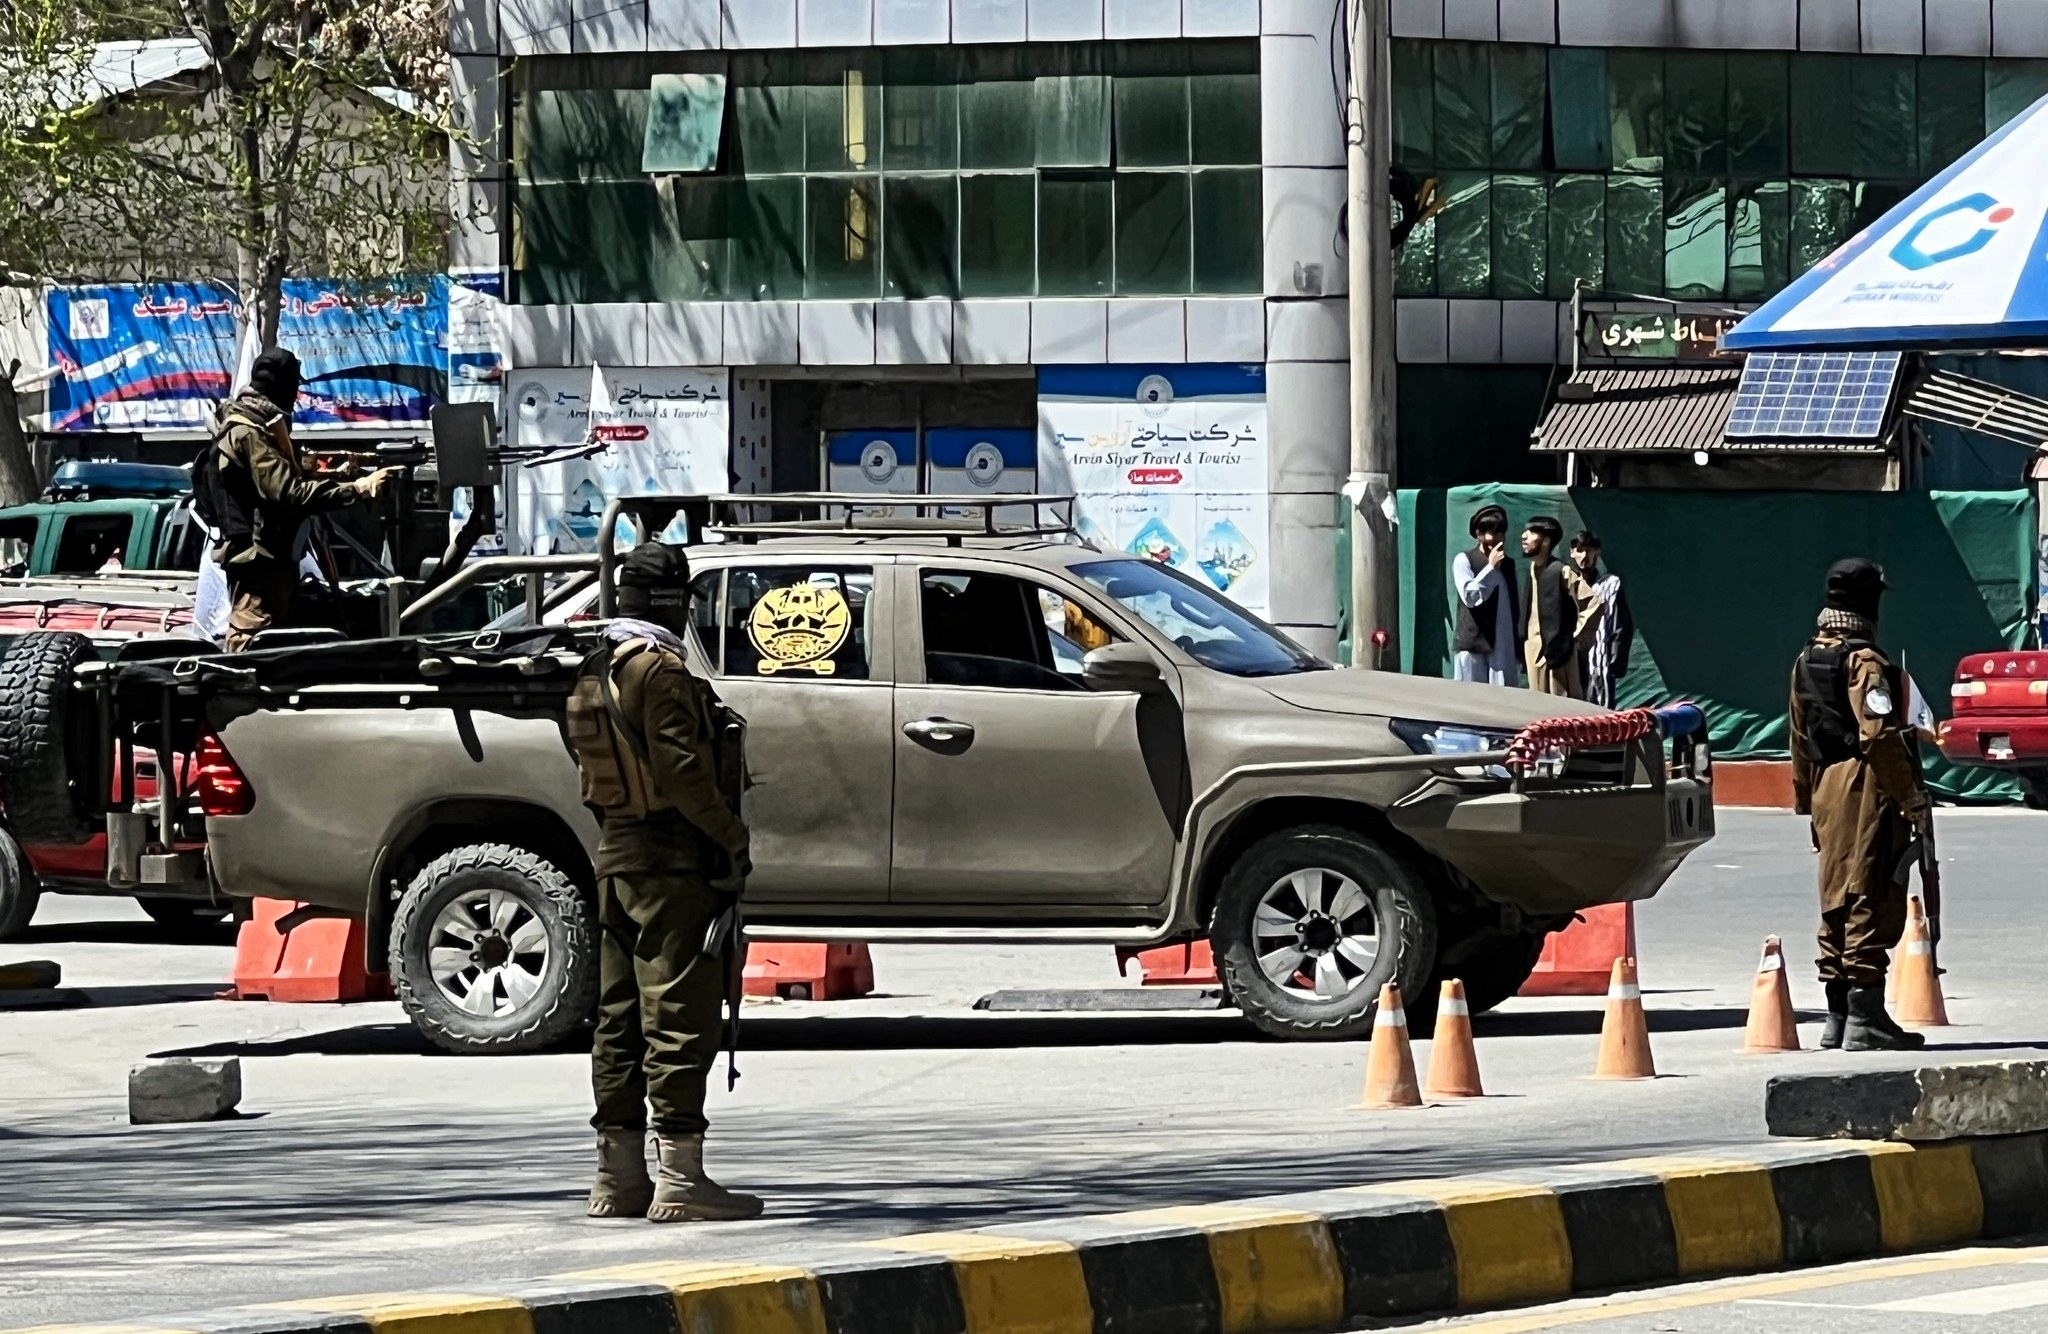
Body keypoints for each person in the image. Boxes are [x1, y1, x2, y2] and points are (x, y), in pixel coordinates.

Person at [563, 541, 761, 1222]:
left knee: (617, 1019)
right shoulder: (661, 670)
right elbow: (682, 773)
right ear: (675, 601)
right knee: (677, 1012)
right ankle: (681, 1179)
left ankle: (617, 1178)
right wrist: (731, 837)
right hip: (672, 866)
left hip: (616, 858)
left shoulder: (598, 665)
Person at [1788, 558, 1928, 1052]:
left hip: (1826, 785)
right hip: (1865, 784)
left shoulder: (1808, 658)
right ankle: (1864, 1018)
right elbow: (1880, 736)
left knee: (1835, 897)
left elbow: (1799, 738)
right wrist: (1910, 796)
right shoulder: (1864, 662)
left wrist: (1808, 806)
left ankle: (1839, 1015)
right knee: (1870, 891)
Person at [205, 347, 399, 651]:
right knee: (253, 647)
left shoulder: (256, 426)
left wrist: (334, 473)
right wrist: (358, 489)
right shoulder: (249, 433)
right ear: (280, 386)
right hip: (259, 567)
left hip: (271, 563)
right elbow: (289, 493)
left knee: (279, 649)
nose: (296, 396)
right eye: (293, 386)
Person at [1516, 515, 1599, 698]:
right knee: (1537, 705)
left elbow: (1593, 603)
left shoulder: (1562, 571)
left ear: (1546, 541)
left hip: (1558, 656)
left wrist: (1573, 637)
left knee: (1563, 706)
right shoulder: (1531, 569)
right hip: (1533, 651)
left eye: (1531, 532)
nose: (1524, 536)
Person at [1451, 505, 1519, 686]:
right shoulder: (1464, 560)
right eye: (1492, 533)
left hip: (1501, 648)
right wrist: (1490, 568)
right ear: (1479, 534)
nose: (1497, 539)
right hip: (1472, 646)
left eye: (1500, 533)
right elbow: (1470, 596)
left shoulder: (1508, 565)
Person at [1570, 531, 1633, 708]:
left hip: (1600, 663)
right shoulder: (1567, 583)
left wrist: (1614, 663)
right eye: (1580, 550)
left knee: (1600, 714)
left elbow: (1622, 626)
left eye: (1589, 550)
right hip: (1572, 664)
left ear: (1597, 552)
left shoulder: (1610, 585)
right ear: (1572, 552)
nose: (1584, 556)